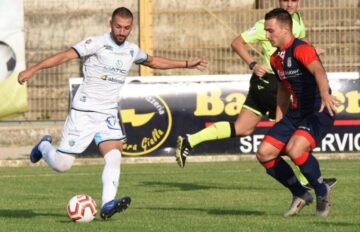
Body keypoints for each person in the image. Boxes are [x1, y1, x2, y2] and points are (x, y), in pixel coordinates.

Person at [18, 7, 208, 220]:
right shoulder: (96, 43)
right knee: (62, 165)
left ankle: (108, 203)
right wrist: (32, 69)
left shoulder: (131, 50)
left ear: (131, 28)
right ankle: (43, 146)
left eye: (126, 28)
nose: (121, 31)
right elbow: (64, 56)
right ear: (111, 24)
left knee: (114, 155)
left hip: (107, 113)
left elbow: (153, 61)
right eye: (118, 26)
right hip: (85, 111)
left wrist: (186, 64)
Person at [175, 0, 336, 190]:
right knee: (294, 132)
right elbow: (237, 42)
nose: (290, 4)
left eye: (294, 0)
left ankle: (191, 139)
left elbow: (298, 47)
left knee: (242, 128)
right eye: (286, 0)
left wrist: (310, 49)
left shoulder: (296, 21)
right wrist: (252, 63)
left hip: (273, 82)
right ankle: (306, 179)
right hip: (272, 82)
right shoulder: (266, 25)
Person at [256, 7, 338, 217]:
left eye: (270, 30)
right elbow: (283, 88)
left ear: (285, 29)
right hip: (296, 112)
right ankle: (300, 193)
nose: (266, 35)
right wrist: (279, 120)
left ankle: (322, 190)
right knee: (264, 152)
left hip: (319, 109)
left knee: (295, 149)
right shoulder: (275, 58)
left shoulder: (301, 48)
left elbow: (318, 71)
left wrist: (325, 95)